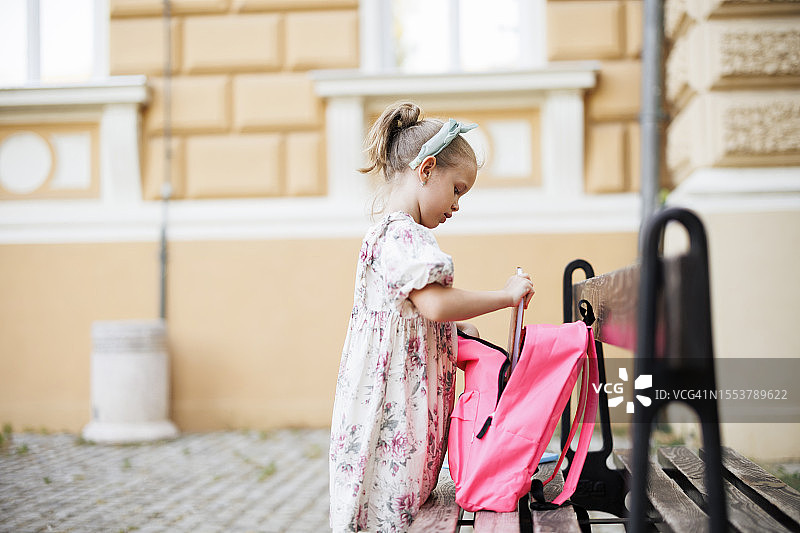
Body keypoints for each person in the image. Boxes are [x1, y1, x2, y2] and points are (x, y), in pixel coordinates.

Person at [329, 102, 534, 532]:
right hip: (396, 410)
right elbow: (435, 305)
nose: (457, 204)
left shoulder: (390, 234)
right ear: (426, 170)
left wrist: (451, 332)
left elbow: (410, 313)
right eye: (457, 189)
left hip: (393, 401)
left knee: (393, 506)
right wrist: (505, 296)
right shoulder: (405, 234)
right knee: (393, 511)